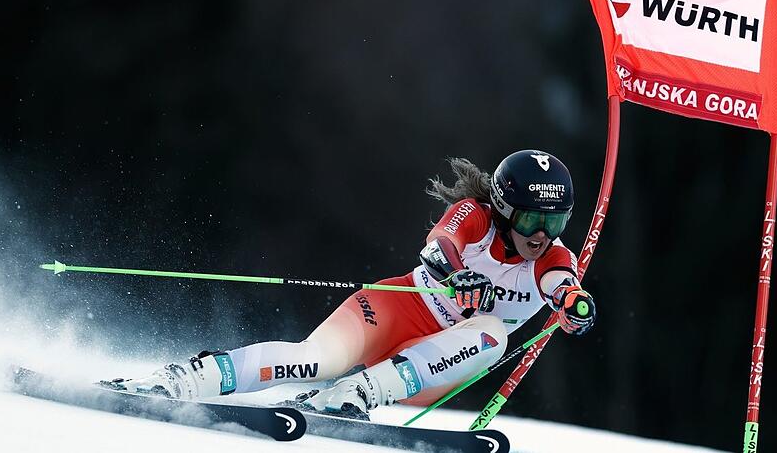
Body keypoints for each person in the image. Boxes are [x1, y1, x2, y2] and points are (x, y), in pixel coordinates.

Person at [106, 149, 596, 419]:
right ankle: (183, 380)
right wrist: (457, 275)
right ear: (507, 209)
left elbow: (561, 284)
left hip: (431, 369)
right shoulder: (476, 216)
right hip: (396, 309)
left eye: (555, 223)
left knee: (493, 332)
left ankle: (357, 394)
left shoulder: (553, 256)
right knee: (312, 361)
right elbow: (440, 245)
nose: (541, 235)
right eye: (533, 219)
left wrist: (575, 306)